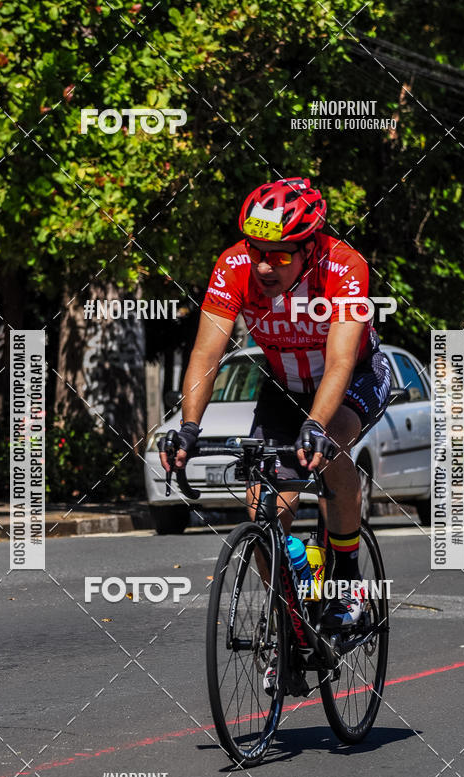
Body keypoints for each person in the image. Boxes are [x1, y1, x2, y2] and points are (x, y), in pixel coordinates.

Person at [159, 177, 391, 637]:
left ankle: (346, 584)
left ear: (309, 248)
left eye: (281, 255)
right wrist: (188, 426)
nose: (265, 266)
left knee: (334, 441)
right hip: (285, 384)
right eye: (258, 250)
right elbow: (207, 355)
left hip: (352, 379)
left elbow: (342, 360)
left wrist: (316, 424)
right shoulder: (234, 265)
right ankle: (289, 616)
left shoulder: (344, 266)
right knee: (263, 505)